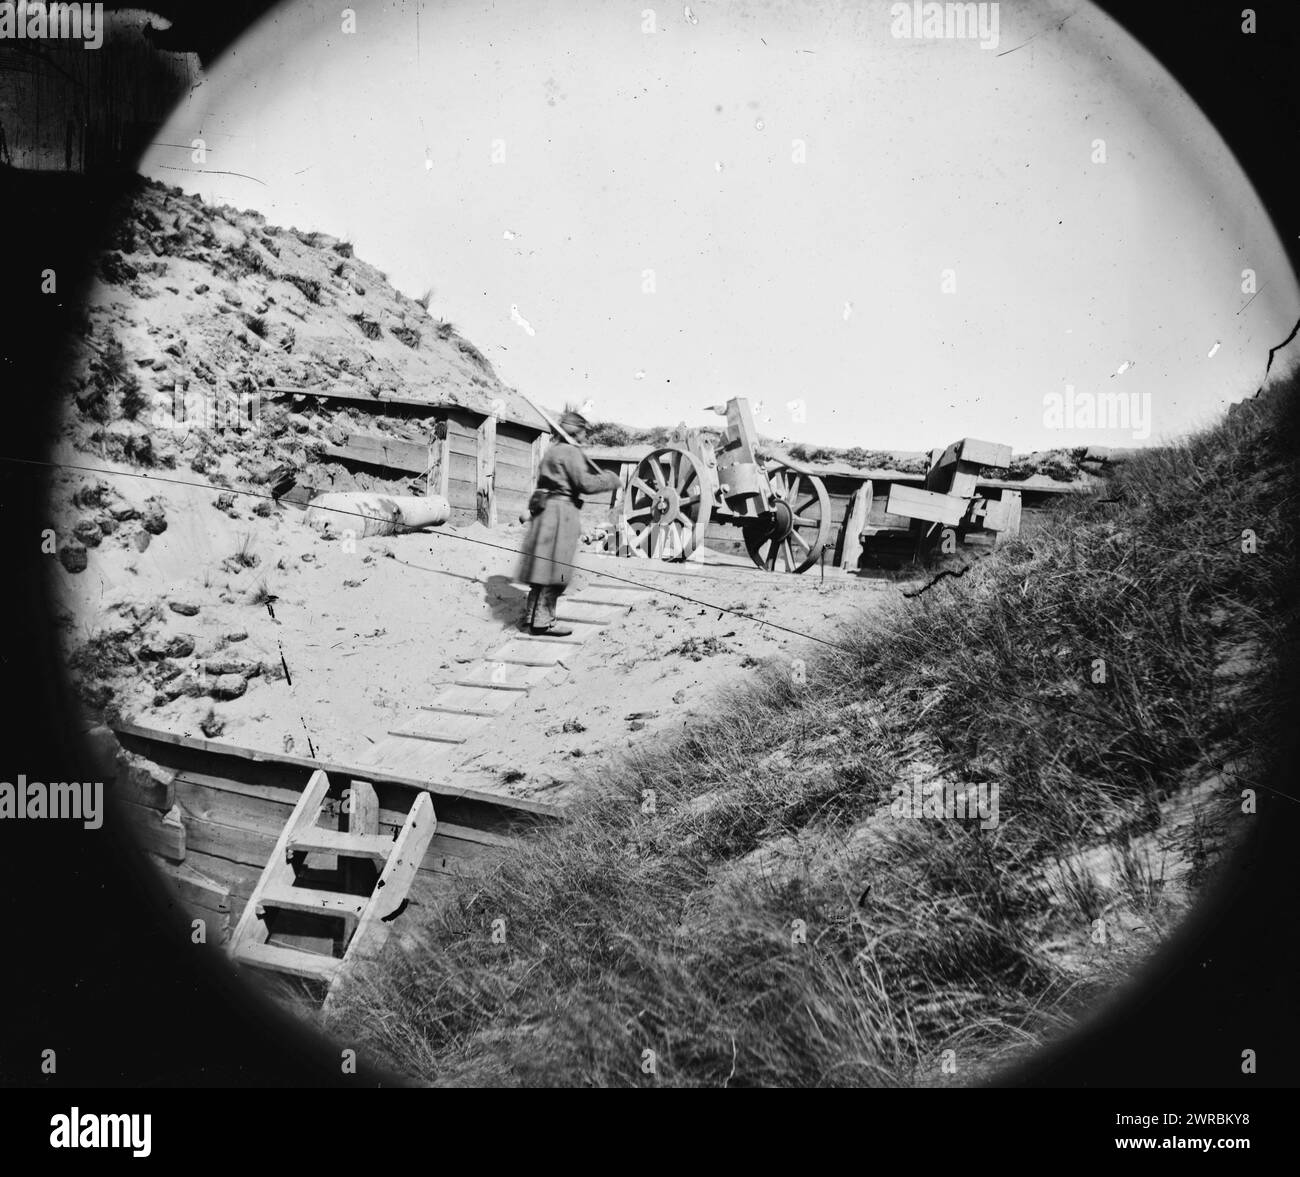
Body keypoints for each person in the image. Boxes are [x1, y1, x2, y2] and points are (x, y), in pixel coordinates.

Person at [517, 408, 619, 635]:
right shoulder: (572, 453)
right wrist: (610, 480)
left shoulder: (552, 452)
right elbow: (586, 484)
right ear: (577, 431)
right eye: (584, 431)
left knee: (542, 566)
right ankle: (544, 622)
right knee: (558, 571)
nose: (586, 435)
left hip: (545, 512)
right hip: (561, 514)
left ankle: (530, 617)